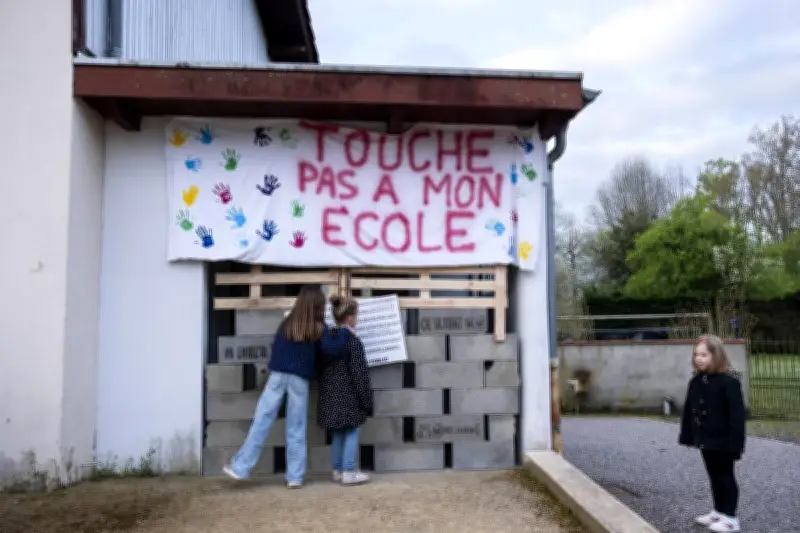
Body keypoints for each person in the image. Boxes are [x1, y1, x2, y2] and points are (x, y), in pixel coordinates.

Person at [223, 285, 350, 488]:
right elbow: (332, 350)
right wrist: (343, 330)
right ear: (318, 306)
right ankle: (295, 477)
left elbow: (277, 347)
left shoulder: (287, 323)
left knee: (261, 421)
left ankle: (241, 468)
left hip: (278, 375)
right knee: (296, 427)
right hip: (299, 379)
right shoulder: (319, 328)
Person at [679, 335, 746, 532]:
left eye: (704, 355)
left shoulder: (729, 383)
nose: (699, 358)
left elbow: (737, 418)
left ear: (716, 356)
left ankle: (731, 519)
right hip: (705, 440)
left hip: (724, 441)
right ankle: (718, 511)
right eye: (696, 354)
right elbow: (689, 411)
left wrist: (735, 446)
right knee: (714, 476)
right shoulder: (696, 381)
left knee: (726, 477)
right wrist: (688, 435)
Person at [317, 295, 373, 485]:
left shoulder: (327, 341)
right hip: (349, 397)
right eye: (356, 315)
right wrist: (366, 400)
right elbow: (360, 374)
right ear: (349, 318)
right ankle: (349, 470)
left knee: (338, 433)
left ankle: (337, 470)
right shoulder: (353, 342)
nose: (357, 318)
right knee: (352, 431)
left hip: (330, 397)